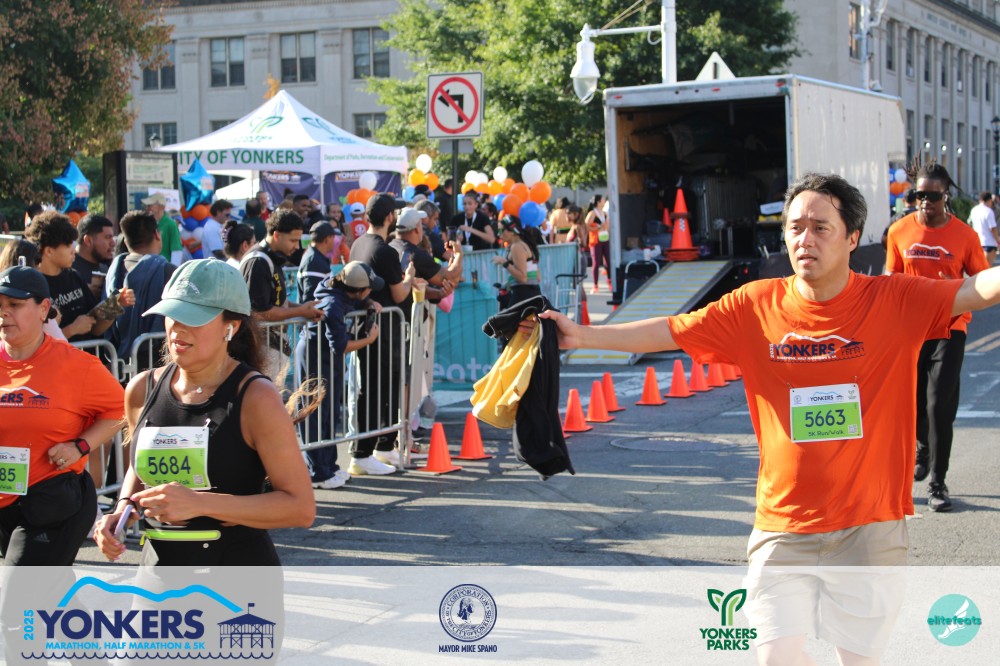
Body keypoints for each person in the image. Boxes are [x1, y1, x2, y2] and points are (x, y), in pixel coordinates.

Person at [531, 172, 1000, 664]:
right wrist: (582, 335)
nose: (805, 239)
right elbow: (672, 330)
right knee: (775, 657)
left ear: (853, 238)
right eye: (795, 227)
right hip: (784, 526)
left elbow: (975, 289)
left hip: (868, 528)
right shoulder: (755, 306)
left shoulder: (893, 300)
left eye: (821, 227)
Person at [93, 259, 315, 565]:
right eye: (171, 314)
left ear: (230, 327)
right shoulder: (141, 388)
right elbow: (139, 466)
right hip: (157, 573)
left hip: (236, 576)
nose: (177, 327)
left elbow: (300, 508)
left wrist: (200, 503)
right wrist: (122, 509)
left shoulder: (255, 397)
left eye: (193, 317)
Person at [0, 265, 125, 565]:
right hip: (5, 500)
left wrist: (80, 446)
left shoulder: (76, 365)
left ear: (44, 309)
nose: (4, 313)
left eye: (15, 304)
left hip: (50, 500)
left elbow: (124, 409)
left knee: (21, 590)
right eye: (0, 305)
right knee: (40, 590)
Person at [886, 163, 990, 513]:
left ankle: (937, 482)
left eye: (933, 196)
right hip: (909, 330)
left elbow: (982, 283)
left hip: (949, 329)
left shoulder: (965, 236)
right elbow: (890, 278)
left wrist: (955, 290)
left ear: (946, 196)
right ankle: (923, 447)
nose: (925, 202)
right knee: (913, 404)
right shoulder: (898, 231)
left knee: (938, 407)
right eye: (919, 195)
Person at [349, 193, 419, 474]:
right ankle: (362, 454)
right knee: (377, 391)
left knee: (384, 388)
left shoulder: (358, 244)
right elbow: (399, 293)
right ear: (390, 217)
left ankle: (384, 446)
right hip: (383, 329)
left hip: (370, 326)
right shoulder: (386, 251)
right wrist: (409, 277)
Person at [302, 262, 384, 489]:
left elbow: (356, 300)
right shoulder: (333, 305)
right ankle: (318, 473)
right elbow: (340, 346)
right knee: (316, 414)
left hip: (328, 358)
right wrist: (369, 340)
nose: (371, 291)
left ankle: (329, 465)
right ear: (359, 290)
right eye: (369, 289)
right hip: (316, 357)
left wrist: (368, 303)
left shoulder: (341, 290)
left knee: (331, 413)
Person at [240, 209, 324, 383]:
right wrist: (301, 312)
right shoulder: (258, 262)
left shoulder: (271, 258)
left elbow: (277, 301)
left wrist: (304, 308)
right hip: (262, 348)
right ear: (277, 235)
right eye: (293, 240)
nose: (297, 247)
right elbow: (260, 312)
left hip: (272, 346)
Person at [25, 211, 134, 342]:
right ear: (49, 251)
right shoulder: (34, 287)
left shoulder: (73, 276)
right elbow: (34, 343)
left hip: (85, 354)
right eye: (67, 245)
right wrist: (72, 329)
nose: (73, 250)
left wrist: (115, 305)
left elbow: (94, 327)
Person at [105, 210, 177, 366]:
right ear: (157, 235)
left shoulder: (113, 270)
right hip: (156, 360)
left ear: (125, 241)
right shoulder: (168, 271)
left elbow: (100, 318)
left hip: (117, 360)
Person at [390, 208, 461, 313]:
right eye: (420, 224)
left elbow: (413, 286)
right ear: (416, 229)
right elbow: (451, 277)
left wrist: (439, 293)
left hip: (398, 315)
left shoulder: (390, 246)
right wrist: (459, 254)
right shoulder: (416, 254)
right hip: (407, 317)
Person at [492, 214, 541, 308]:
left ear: (512, 231)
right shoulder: (523, 244)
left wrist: (504, 262)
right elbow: (538, 277)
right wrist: (506, 285)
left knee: (506, 318)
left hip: (524, 294)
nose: (498, 234)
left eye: (501, 230)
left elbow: (522, 277)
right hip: (529, 293)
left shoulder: (517, 247)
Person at [72, 214, 115, 297]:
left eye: (112, 237)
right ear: (88, 240)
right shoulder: (67, 269)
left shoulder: (106, 267)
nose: (113, 243)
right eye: (107, 237)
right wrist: (81, 293)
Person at [142, 192, 183, 265]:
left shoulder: (170, 224)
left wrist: (173, 269)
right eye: (147, 206)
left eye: (150, 205)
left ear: (161, 207)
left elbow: (176, 250)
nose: (147, 208)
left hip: (164, 267)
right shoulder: (146, 224)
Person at [585, 194, 611, 294]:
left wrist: (606, 226)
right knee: (596, 262)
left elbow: (607, 226)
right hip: (596, 240)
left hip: (605, 238)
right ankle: (595, 284)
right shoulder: (592, 213)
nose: (604, 201)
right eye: (603, 200)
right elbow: (587, 226)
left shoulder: (604, 213)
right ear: (598, 202)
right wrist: (598, 228)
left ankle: (610, 281)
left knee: (608, 261)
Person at [968, 190, 1000, 265]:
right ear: (989, 200)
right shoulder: (989, 211)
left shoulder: (974, 210)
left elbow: (969, 223)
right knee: (987, 268)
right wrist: (998, 241)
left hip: (977, 242)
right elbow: (993, 228)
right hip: (989, 243)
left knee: (979, 267)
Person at [564, 205, 590, 271]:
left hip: (578, 258)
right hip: (576, 257)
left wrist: (572, 243)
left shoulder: (578, 227)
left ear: (576, 214)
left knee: (576, 277)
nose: (566, 216)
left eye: (569, 213)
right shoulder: (577, 226)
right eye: (566, 213)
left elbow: (583, 243)